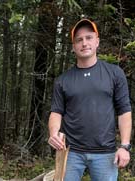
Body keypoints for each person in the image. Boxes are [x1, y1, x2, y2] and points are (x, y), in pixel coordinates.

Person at [48, 18, 132, 181]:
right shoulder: (63, 80)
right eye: (79, 40)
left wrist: (124, 146)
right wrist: (53, 133)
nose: (84, 43)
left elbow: (124, 111)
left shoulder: (114, 74)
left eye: (89, 38)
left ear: (97, 41)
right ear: (74, 47)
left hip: (105, 153)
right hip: (70, 152)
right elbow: (56, 112)